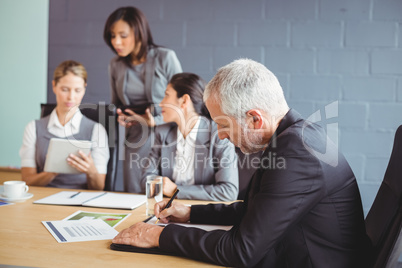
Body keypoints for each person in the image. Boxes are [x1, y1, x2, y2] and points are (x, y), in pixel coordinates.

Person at [112, 59, 370, 267]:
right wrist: (192, 213)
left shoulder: (296, 153)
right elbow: (255, 211)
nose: (221, 135)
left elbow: (241, 251)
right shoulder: (294, 138)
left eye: (223, 125)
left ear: (255, 119)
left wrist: (158, 235)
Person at [103, 6, 182, 193]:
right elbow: (116, 104)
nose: (116, 42)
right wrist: (120, 117)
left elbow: (183, 103)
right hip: (136, 135)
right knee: (135, 194)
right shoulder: (115, 64)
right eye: (112, 36)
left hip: (167, 133)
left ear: (139, 33)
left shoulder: (165, 57)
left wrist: (156, 121)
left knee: (164, 195)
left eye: (123, 35)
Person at [141, 73, 238, 201]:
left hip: (203, 213)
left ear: (184, 101)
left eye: (166, 95)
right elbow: (146, 180)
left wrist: (176, 190)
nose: (161, 104)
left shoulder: (218, 135)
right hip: (167, 209)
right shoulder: (162, 132)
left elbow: (228, 191)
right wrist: (161, 186)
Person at [20, 60, 109, 190]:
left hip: (80, 199)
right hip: (42, 200)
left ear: (84, 89)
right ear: (54, 86)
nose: (71, 97)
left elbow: (98, 187)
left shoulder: (97, 130)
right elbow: (27, 181)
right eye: (65, 90)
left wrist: (91, 171)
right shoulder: (33, 128)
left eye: (77, 90)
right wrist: (51, 172)